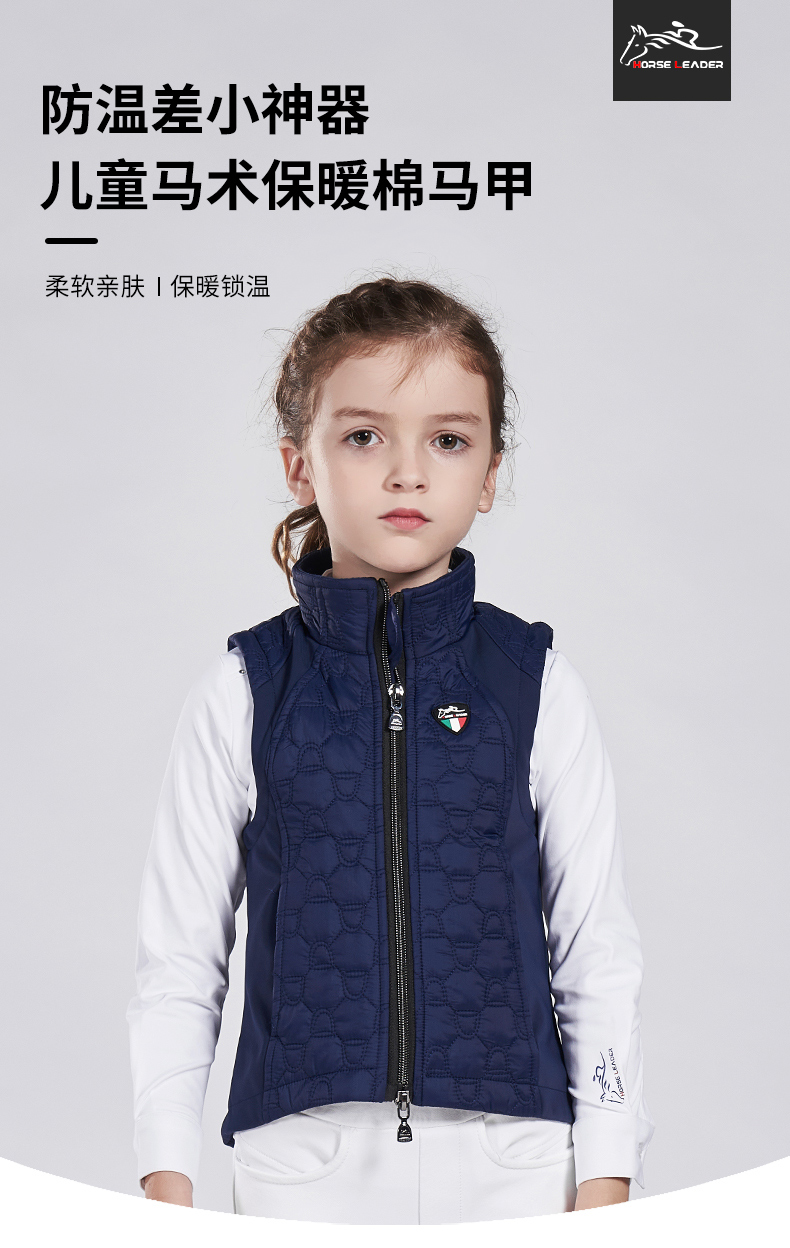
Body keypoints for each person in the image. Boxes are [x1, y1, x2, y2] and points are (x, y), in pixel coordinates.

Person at [128, 277, 654, 1223]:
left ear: (489, 473)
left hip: (518, 1162)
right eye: (365, 436)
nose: (407, 473)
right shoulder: (245, 690)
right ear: (301, 466)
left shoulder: (533, 684)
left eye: (448, 440)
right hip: (302, 1163)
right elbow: (179, 957)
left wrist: (608, 1167)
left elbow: (595, 946)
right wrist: (166, 1178)